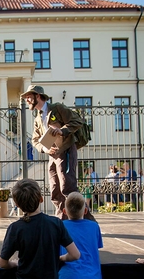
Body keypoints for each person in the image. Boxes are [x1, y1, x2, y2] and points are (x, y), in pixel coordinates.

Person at [24, 85, 95, 221]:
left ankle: (88, 221)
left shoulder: (57, 108)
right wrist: (45, 149)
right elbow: (35, 140)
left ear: (37, 96)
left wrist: (62, 130)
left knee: (67, 188)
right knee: (55, 191)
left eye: (28, 97)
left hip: (66, 151)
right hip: (52, 155)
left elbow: (77, 121)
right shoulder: (37, 119)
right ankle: (62, 221)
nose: (27, 100)